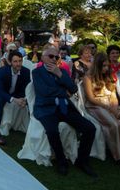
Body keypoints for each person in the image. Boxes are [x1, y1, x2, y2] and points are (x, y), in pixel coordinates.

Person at [32, 46, 97, 176]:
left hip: (64, 107)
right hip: (46, 108)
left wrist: (60, 74)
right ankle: (61, 161)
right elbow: (43, 92)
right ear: (43, 57)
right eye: (51, 56)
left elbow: (73, 89)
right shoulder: (37, 72)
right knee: (52, 131)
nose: (54, 59)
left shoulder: (62, 71)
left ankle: (82, 161)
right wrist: (63, 92)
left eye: (56, 57)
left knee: (90, 128)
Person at [0, 50, 30, 145]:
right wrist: (13, 99)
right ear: (10, 62)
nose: (18, 64)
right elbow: (0, 90)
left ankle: (30, 128)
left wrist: (24, 99)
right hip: (3, 93)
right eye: (15, 61)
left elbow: (26, 89)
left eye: (20, 61)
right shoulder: (2, 71)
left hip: (16, 93)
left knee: (27, 101)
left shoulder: (26, 72)